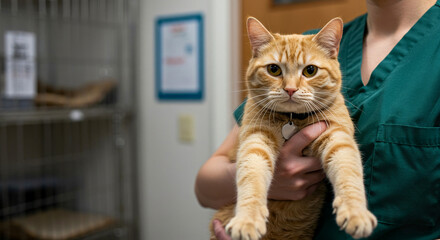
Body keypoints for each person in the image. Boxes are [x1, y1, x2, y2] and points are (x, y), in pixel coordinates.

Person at [195, 0, 440, 239]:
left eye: (309, 71)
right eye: (275, 71)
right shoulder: (305, 43)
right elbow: (204, 188)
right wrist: (271, 180)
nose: (290, 87)